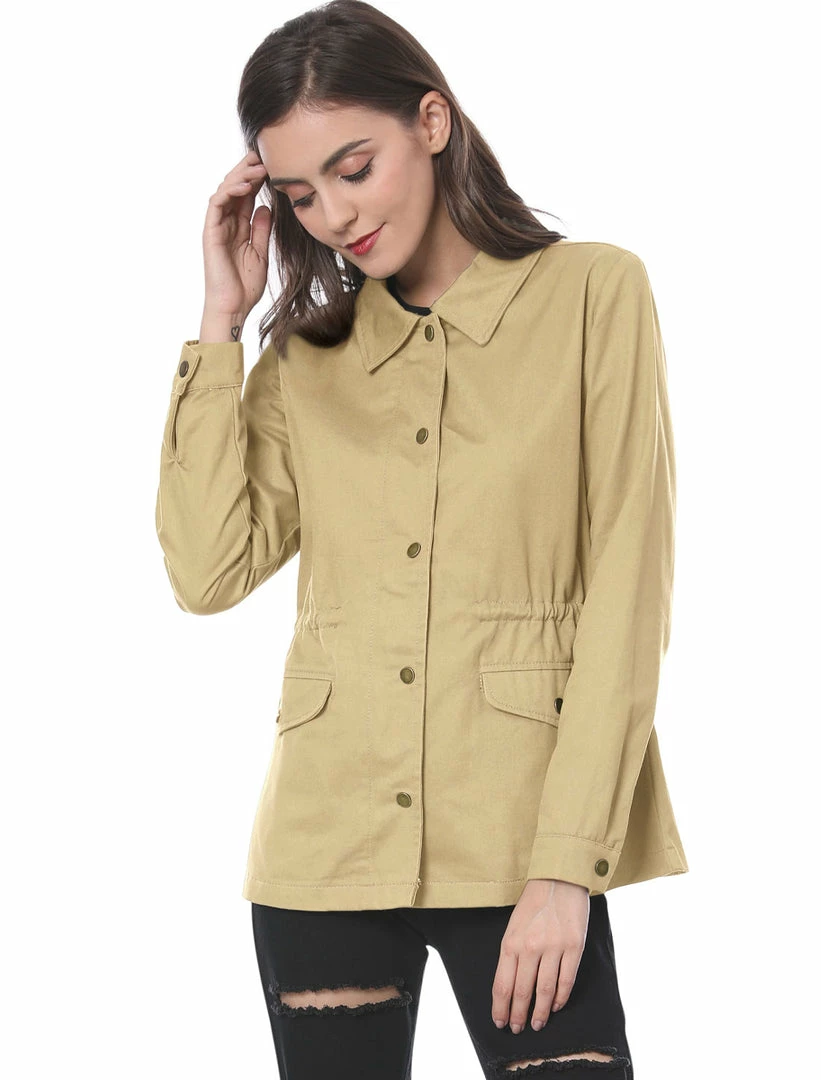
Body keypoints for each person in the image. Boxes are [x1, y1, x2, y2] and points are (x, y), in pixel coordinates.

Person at [155, 2, 689, 1076]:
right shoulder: (307, 359)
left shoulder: (594, 292)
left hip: (519, 845)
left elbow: (627, 592)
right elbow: (206, 572)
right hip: (321, 855)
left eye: (353, 168)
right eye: (300, 194)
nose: (334, 215)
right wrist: (220, 323)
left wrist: (564, 869)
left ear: (431, 123)